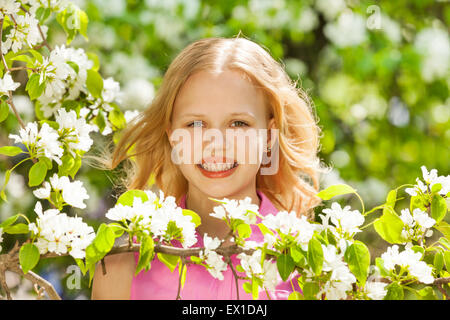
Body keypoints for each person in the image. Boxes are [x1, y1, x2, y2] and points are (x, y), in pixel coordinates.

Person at [91, 35, 328, 300]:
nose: (216, 145)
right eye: (195, 124)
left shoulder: (315, 268)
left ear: (269, 135)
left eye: (238, 124)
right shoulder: (120, 268)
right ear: (172, 136)